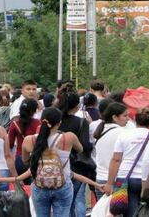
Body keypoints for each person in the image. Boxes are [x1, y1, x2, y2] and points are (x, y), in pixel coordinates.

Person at [30, 107, 83, 217]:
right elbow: (80, 149)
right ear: (59, 123)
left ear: (41, 121)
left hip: (40, 184)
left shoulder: (30, 140)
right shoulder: (68, 137)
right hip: (63, 184)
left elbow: (25, 160)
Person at [104, 108, 149, 217]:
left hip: (126, 178)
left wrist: (109, 183)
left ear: (135, 120)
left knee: (130, 212)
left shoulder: (124, 135)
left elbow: (116, 160)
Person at [55, 83, 92, 217]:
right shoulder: (82, 122)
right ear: (77, 106)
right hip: (74, 167)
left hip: (51, 164)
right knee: (73, 201)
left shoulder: (53, 119)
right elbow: (85, 147)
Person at [93, 102, 129, 199]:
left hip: (100, 179)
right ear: (114, 117)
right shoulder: (123, 133)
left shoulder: (100, 131)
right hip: (116, 180)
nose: (128, 119)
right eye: (125, 116)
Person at [8, 98, 41, 175]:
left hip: (20, 157)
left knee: (21, 184)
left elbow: (10, 144)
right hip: (35, 157)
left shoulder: (15, 124)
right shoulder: (38, 123)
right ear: (35, 110)